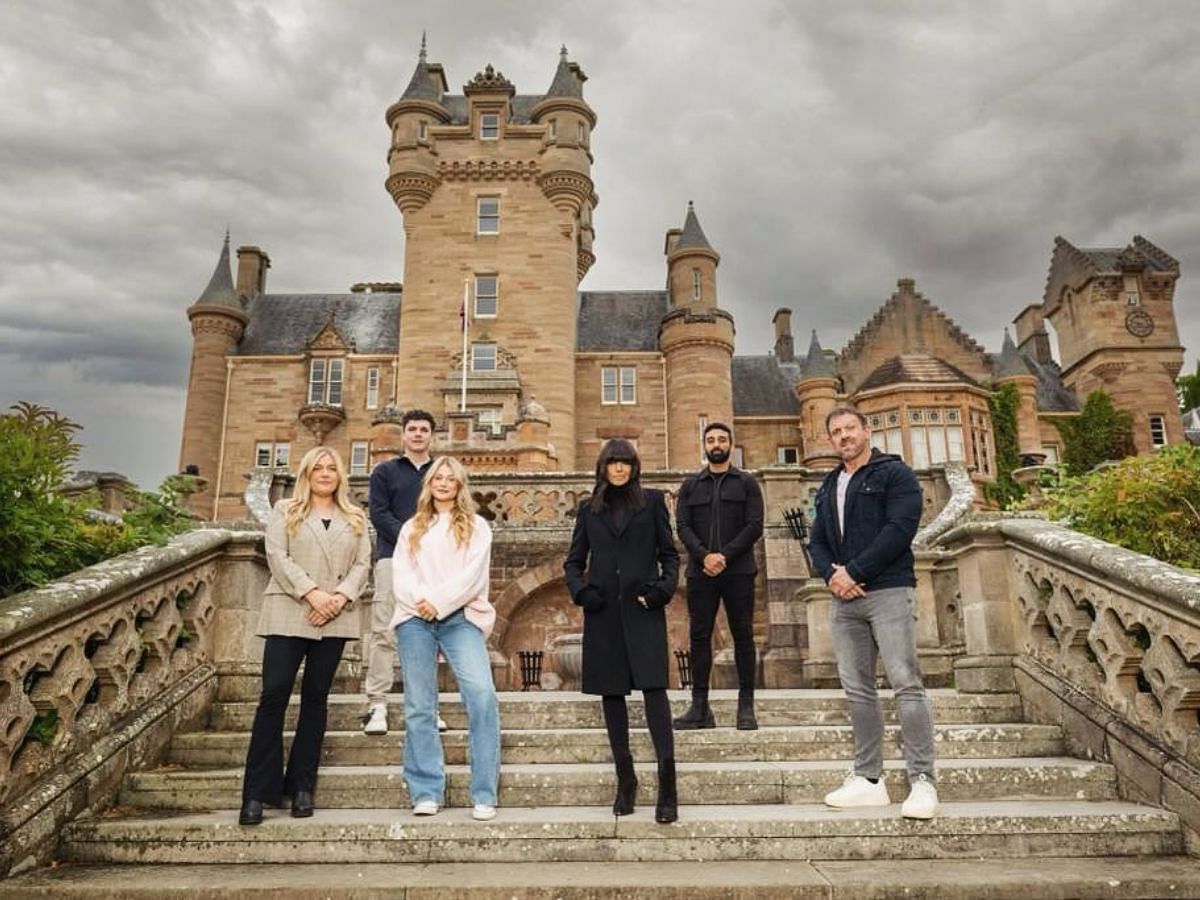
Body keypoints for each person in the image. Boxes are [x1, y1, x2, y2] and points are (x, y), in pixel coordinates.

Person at [807, 406, 939, 820]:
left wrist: (854, 573)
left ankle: (922, 781)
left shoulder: (895, 475)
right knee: (858, 689)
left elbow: (899, 530)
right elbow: (817, 541)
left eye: (850, 428)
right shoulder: (829, 486)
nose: (844, 436)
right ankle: (868, 779)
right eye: (836, 432)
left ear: (866, 431)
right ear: (830, 440)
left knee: (905, 682)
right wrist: (832, 575)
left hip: (888, 590)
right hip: (843, 599)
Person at [239, 446, 371, 826]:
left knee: (316, 700)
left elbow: (363, 564)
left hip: (336, 615)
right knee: (274, 695)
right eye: (319, 468)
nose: (325, 473)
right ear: (307, 474)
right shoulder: (285, 510)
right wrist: (312, 593)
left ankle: (301, 787)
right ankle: (256, 793)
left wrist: (339, 597)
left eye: (332, 468)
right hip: (290, 608)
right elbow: (277, 556)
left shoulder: (356, 516)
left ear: (340, 475)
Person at [564, 439, 681, 823]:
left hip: (643, 608)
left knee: (654, 692)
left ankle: (667, 785)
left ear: (634, 467)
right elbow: (573, 561)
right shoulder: (588, 509)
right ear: (603, 467)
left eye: (625, 463)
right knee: (611, 695)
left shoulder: (651, 502)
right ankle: (625, 779)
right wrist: (583, 594)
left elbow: (669, 554)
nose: (619, 469)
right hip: (603, 614)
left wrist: (662, 590)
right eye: (612, 463)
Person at [390, 456, 500, 820]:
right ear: (430, 483)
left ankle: (484, 793)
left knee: (481, 695)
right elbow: (401, 574)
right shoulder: (412, 527)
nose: (443, 483)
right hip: (414, 619)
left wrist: (437, 603)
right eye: (438, 477)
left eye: (451, 478)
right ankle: (425, 791)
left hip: (461, 617)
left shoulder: (477, 526)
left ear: (459, 485)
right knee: (420, 705)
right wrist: (421, 604)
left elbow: (472, 576)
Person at [674, 422, 764, 730]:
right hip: (701, 572)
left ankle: (746, 707)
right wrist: (705, 556)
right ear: (704, 445)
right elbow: (683, 526)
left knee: (743, 636)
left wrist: (724, 556)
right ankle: (700, 709)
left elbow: (754, 526)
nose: (716, 444)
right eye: (711, 439)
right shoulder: (690, 486)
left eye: (722, 439)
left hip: (738, 570)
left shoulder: (747, 483)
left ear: (730, 444)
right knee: (700, 637)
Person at [363, 409, 436, 735]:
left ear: (432, 435)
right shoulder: (385, 471)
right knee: (383, 630)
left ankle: (426, 705)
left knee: (429, 633)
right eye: (413, 429)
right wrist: (410, 540)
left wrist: (429, 546)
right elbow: (378, 514)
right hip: (392, 557)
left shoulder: (441, 472)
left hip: (433, 561)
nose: (418, 434)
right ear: (404, 435)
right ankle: (377, 703)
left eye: (424, 429)